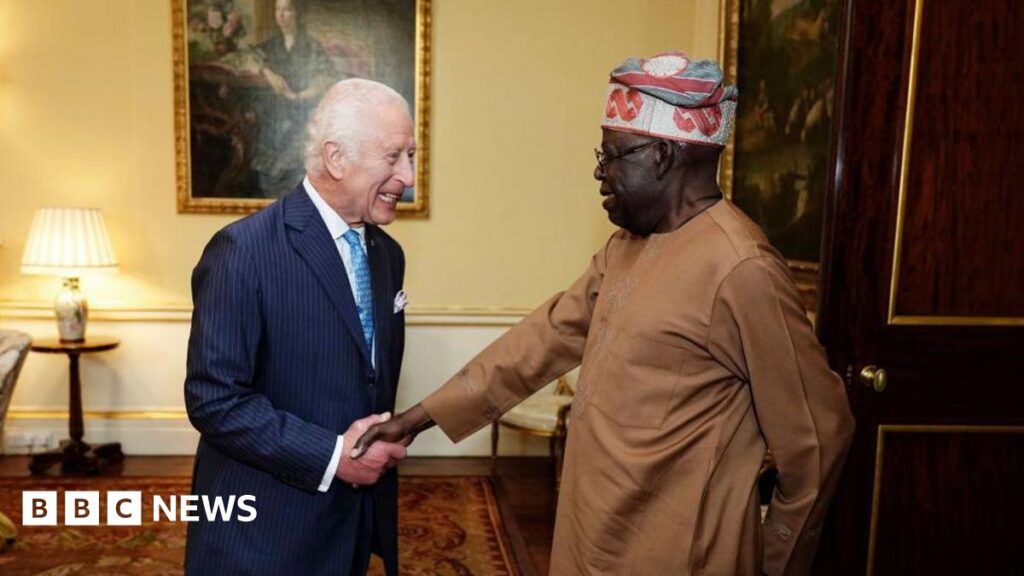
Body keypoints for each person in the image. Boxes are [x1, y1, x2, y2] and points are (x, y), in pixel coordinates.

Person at [354, 52, 854, 575]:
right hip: (594, 528)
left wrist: (772, 560)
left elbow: (819, 437)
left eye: (612, 155)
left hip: (679, 550)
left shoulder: (742, 268)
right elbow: (544, 338)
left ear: (661, 155)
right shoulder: (627, 244)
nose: (599, 172)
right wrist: (419, 417)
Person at [184, 78, 416, 575]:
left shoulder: (387, 255)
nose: (409, 176)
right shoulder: (243, 252)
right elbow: (214, 399)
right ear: (336, 158)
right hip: (261, 534)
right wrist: (333, 456)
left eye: (411, 156)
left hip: (349, 522)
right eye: (395, 156)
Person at [251, 0, 338, 196]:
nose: (281, 14)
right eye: (278, 9)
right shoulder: (270, 46)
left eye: (287, 9)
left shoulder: (311, 46)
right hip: (272, 116)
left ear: (297, 13)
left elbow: (327, 77)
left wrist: (301, 95)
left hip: (302, 113)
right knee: (269, 178)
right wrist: (267, 72)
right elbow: (247, 57)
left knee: (297, 176)